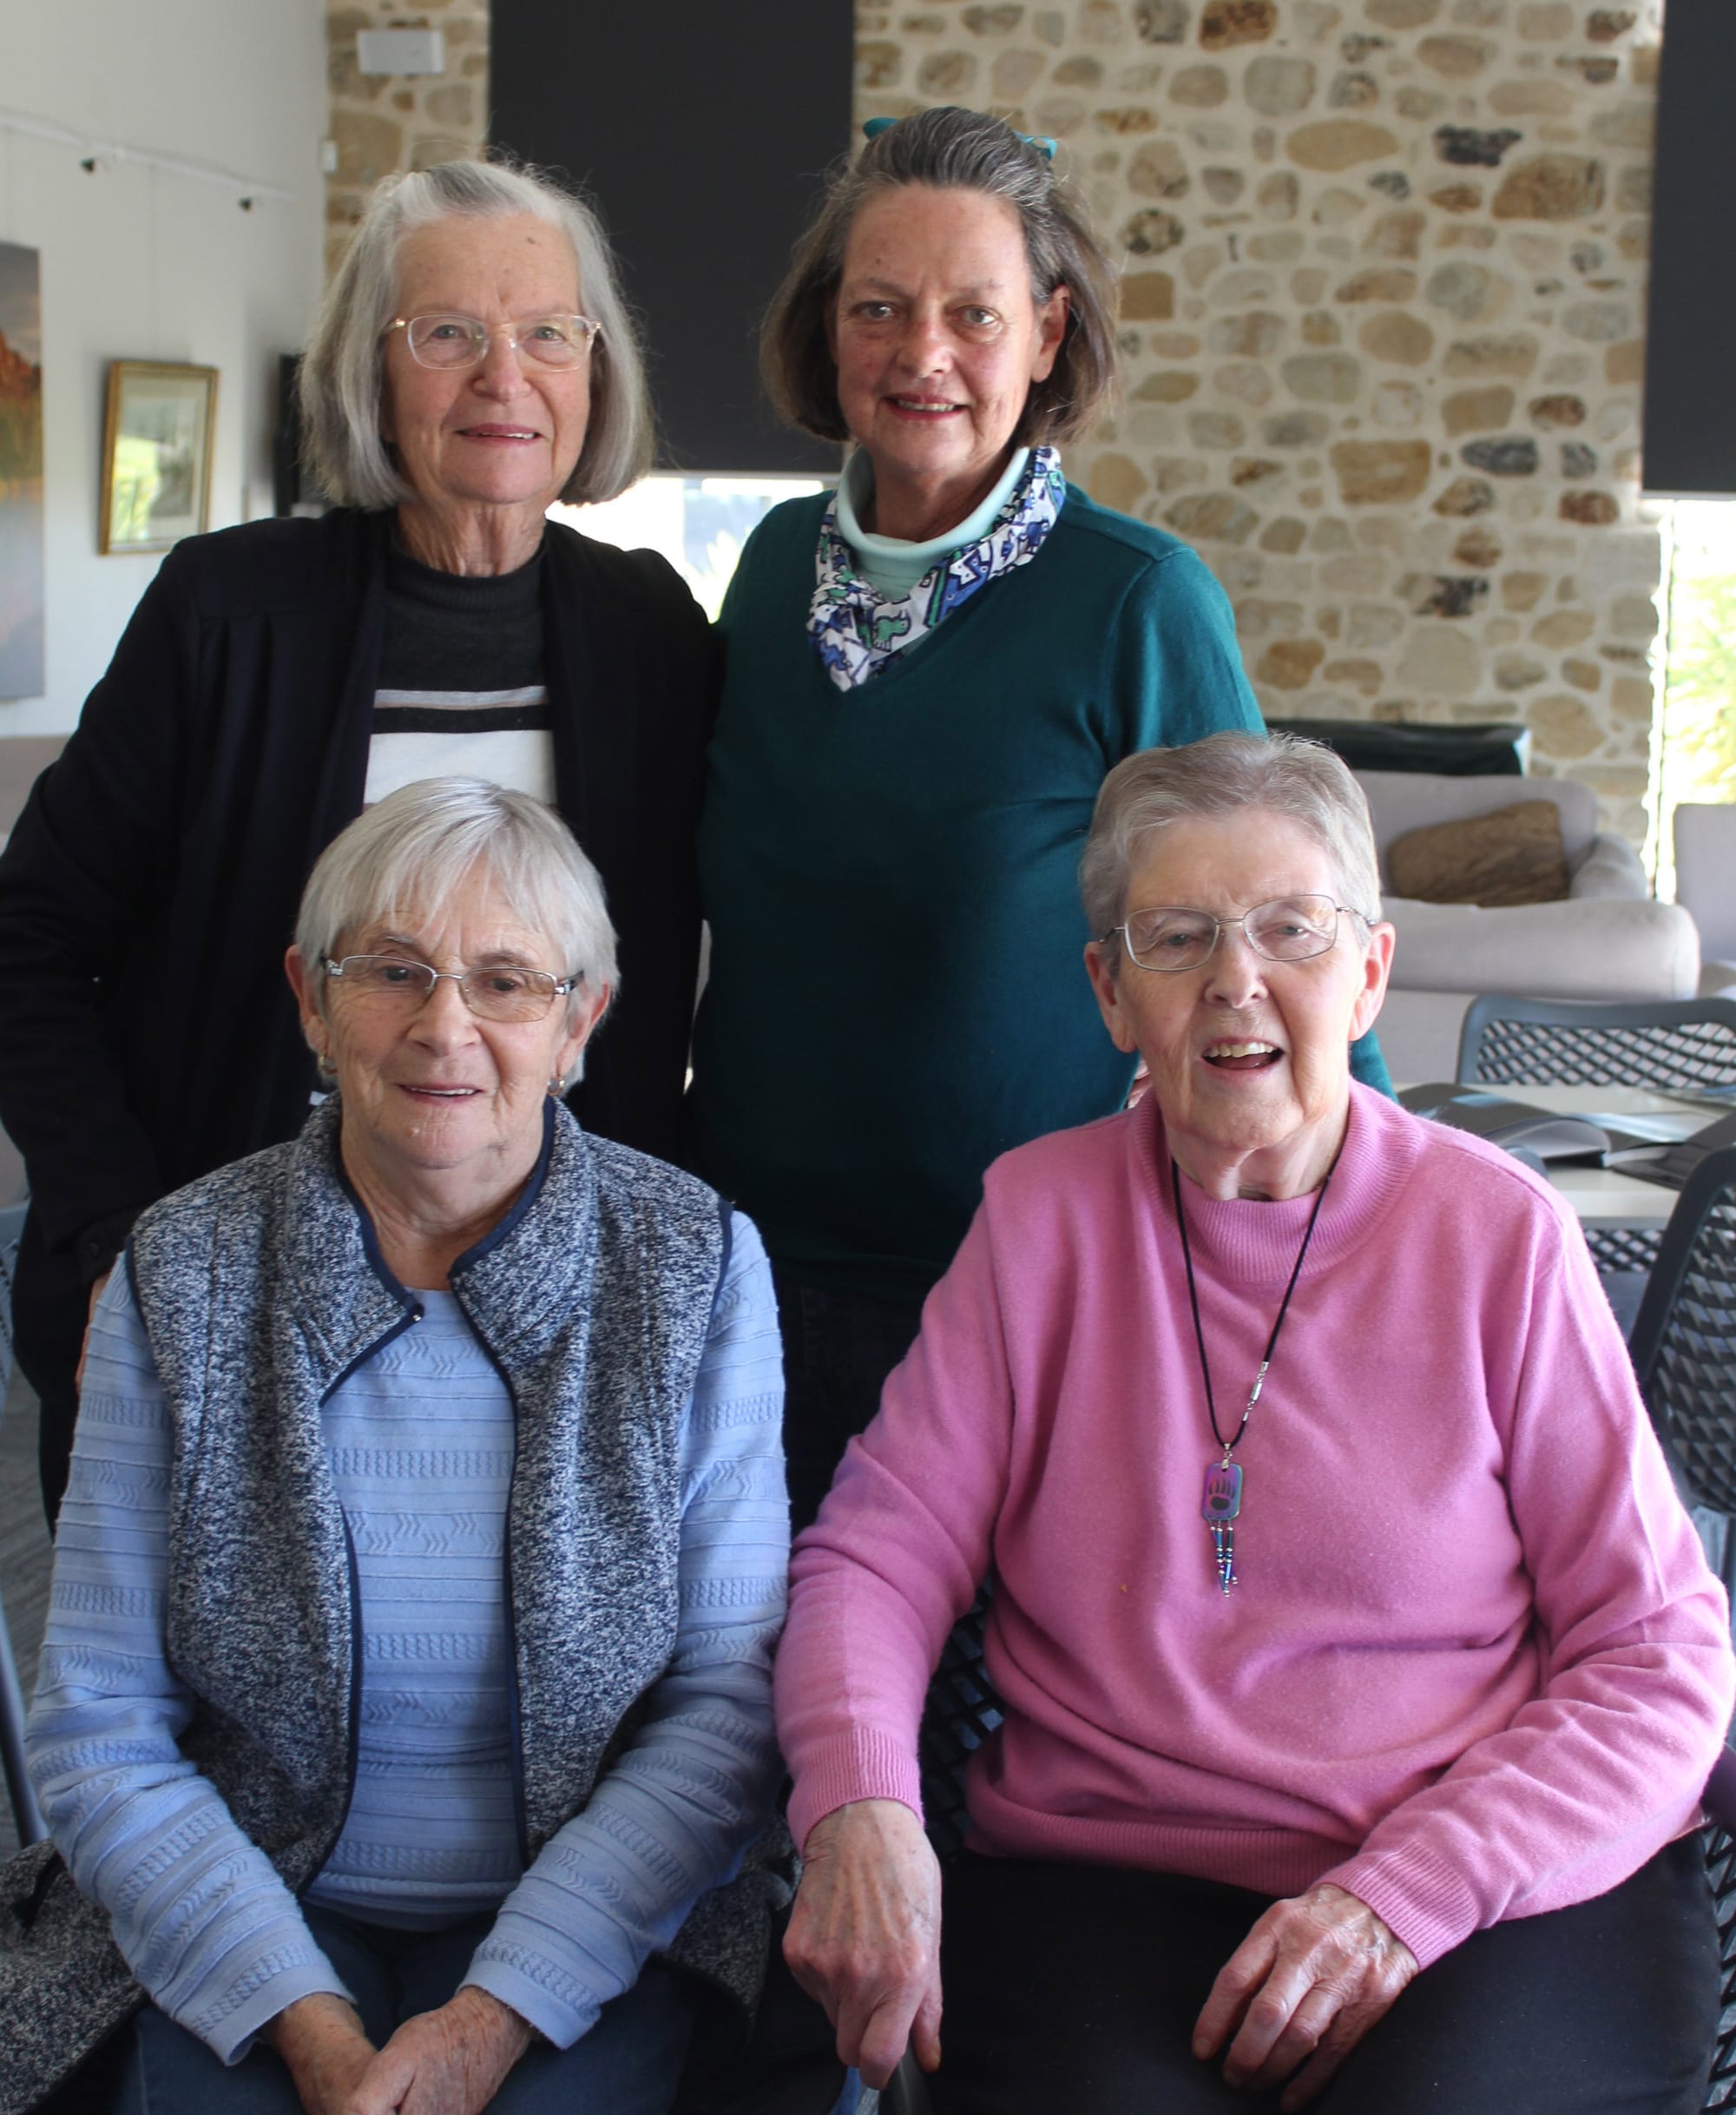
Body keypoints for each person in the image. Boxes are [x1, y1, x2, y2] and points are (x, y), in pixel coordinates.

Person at [773, 730, 1735, 2115]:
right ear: (1111, 994)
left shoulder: (1498, 1237)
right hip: (1113, 1878)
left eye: (1292, 928)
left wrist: (1403, 1897)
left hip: (1486, 1877)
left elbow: (1660, 1653)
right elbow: (876, 1555)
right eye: (1178, 937)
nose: (1237, 978)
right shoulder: (1040, 1222)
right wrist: (861, 1801)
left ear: (1370, 974)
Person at [3, 780, 787, 2115]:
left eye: (505, 982)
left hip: (608, 1919)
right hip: (238, 1903)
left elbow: (726, 1708)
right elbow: (100, 1718)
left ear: (581, 1020)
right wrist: (306, 2022)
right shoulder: (180, 1268)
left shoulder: (694, 1266)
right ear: (311, 1001)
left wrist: (495, 2014)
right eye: (391, 972)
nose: (444, 1027)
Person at [685, 107, 1390, 1534]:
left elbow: (1279, 929)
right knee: (754, 1665)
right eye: (878, 307)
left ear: (1049, 333)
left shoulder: (1136, 601)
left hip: (1017, 1296)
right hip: (736, 1281)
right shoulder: (767, 571)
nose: (921, 353)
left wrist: (1371, 1237)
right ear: (829, 327)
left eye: (974, 313)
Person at [0, 158, 715, 1523]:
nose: (504, 376)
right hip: (230, 1301)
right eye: (447, 332)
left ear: (595, 370)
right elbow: (26, 939)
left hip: (552, 1323)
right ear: (368, 374)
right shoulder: (228, 616)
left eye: (547, 332)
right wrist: (115, 1234)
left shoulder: (650, 635)